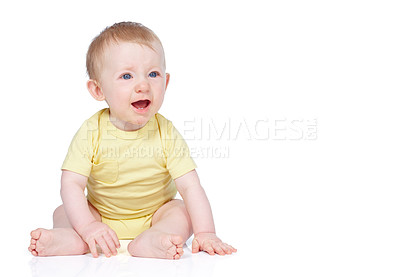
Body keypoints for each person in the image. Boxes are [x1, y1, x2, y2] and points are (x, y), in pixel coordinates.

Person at [28, 22, 236, 260]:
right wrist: (88, 226)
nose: (143, 85)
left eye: (153, 74)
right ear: (98, 90)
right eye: (127, 76)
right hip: (100, 216)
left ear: (165, 83)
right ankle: (77, 239)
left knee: (181, 211)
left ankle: (152, 239)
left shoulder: (166, 132)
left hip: (155, 215)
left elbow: (190, 187)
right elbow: (71, 184)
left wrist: (206, 232)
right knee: (64, 211)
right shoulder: (91, 131)